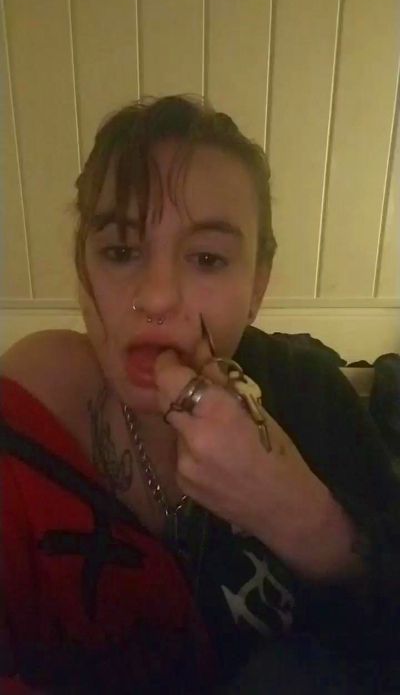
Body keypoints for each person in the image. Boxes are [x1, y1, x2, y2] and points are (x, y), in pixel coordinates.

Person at [1, 94, 400, 694]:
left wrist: (302, 517)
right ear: (82, 268)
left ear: (257, 286)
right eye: (120, 252)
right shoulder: (35, 403)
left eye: (208, 258)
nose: (157, 297)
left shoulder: (312, 394)